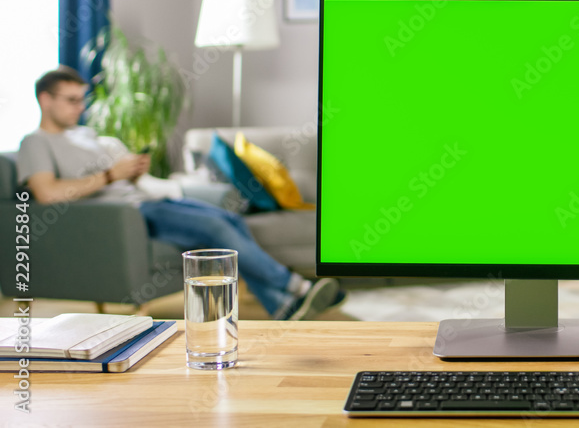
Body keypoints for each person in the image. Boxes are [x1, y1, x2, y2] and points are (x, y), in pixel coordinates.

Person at [17, 66, 343, 320]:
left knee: (230, 220)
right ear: (46, 100)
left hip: (146, 199)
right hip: (124, 215)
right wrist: (109, 175)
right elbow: (47, 193)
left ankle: (282, 307)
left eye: (81, 99)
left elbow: (119, 176)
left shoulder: (86, 135)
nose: (79, 107)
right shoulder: (36, 143)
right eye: (71, 100)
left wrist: (132, 170)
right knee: (215, 230)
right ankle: (296, 285)